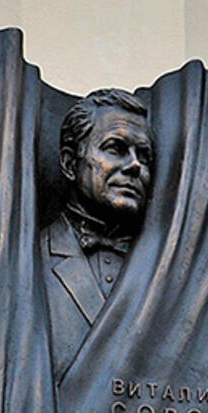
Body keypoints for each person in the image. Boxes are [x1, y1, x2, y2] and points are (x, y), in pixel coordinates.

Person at [42, 88, 154, 380]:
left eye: (144, 155)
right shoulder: (31, 262)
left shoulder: (163, 267)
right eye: (116, 148)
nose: (135, 166)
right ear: (69, 163)